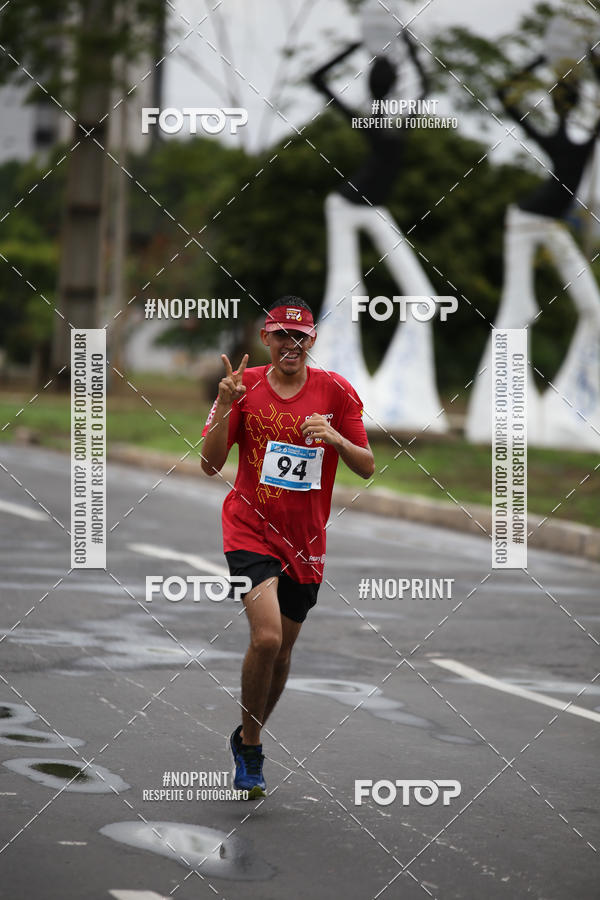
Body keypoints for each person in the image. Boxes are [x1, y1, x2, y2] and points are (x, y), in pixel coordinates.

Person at [201, 296, 375, 798]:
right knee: (268, 638)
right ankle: (252, 749)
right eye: (281, 336)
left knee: (284, 651)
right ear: (266, 340)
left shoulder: (337, 392)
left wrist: (336, 440)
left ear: (312, 342)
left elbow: (366, 465)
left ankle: (247, 736)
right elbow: (210, 466)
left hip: (305, 541)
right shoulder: (243, 387)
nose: (290, 345)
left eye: (300, 337)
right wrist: (226, 407)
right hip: (248, 529)